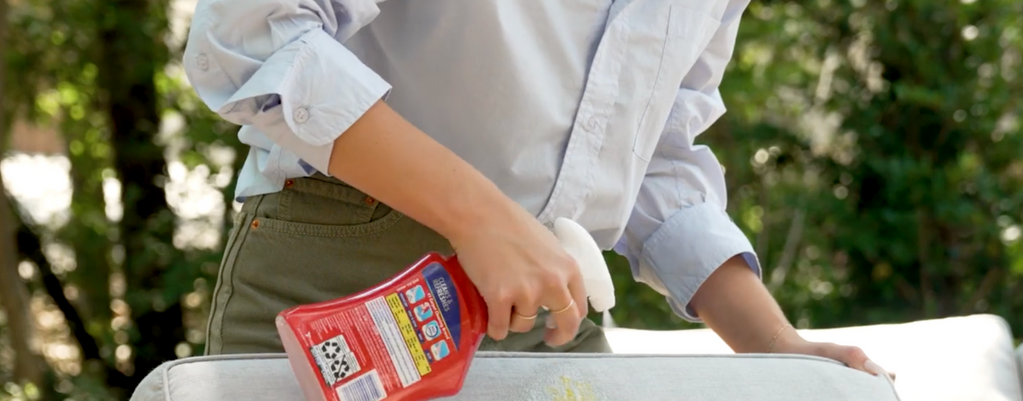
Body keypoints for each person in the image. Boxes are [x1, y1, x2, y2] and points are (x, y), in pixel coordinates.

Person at [183, 0, 885, 375]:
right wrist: (482, 220)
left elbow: (652, 148)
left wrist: (772, 344)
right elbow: (252, 33)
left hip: (551, 314)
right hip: (346, 287)